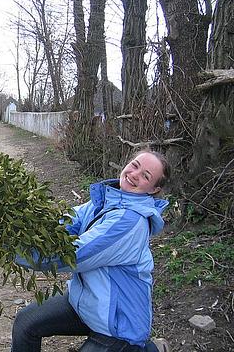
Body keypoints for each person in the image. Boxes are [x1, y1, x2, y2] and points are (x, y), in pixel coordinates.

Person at [12, 150, 171, 352]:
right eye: (135, 164)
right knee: (26, 322)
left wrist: (13, 251)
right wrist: (23, 227)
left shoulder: (130, 222)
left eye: (146, 176)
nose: (134, 174)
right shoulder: (107, 200)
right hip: (87, 305)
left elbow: (71, 255)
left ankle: (146, 349)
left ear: (154, 189)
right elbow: (67, 221)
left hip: (118, 324)